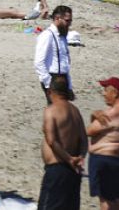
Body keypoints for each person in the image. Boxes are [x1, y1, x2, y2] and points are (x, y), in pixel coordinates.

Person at [87, 78, 119, 210]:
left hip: (105, 159)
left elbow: (90, 131)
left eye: (106, 90)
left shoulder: (114, 112)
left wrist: (94, 115)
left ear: (115, 93)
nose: (103, 93)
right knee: (117, 200)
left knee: (106, 202)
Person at [39, 75, 87, 210]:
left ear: (50, 92)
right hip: (73, 171)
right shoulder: (75, 111)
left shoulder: (51, 110)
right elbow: (84, 139)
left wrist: (69, 159)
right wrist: (81, 157)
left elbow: (51, 140)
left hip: (58, 169)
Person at [35, 6, 74, 104]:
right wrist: (49, 83)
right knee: (55, 111)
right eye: (67, 20)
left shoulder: (63, 36)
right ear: (57, 18)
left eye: (70, 21)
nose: (69, 24)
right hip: (52, 78)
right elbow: (38, 62)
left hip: (63, 78)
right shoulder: (47, 35)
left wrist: (69, 86)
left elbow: (65, 63)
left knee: (64, 112)